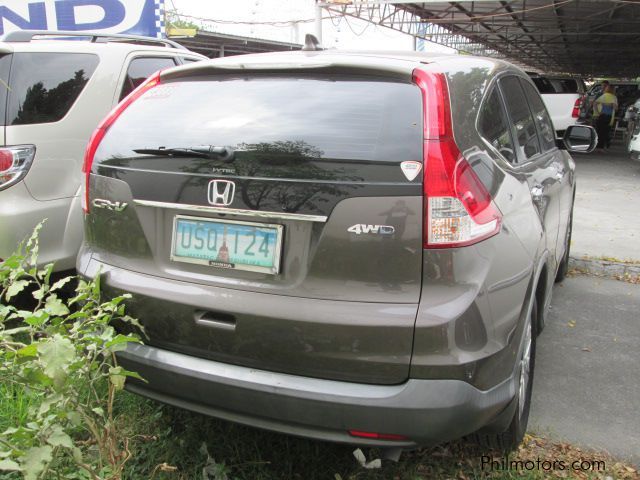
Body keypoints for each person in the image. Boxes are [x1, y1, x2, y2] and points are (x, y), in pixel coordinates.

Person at [593, 85, 618, 149]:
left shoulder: (603, 96)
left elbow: (595, 103)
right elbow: (615, 108)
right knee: (605, 132)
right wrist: (611, 105)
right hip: (609, 117)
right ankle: (603, 146)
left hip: (601, 115)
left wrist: (598, 112)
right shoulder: (614, 97)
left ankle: (598, 147)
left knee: (599, 131)